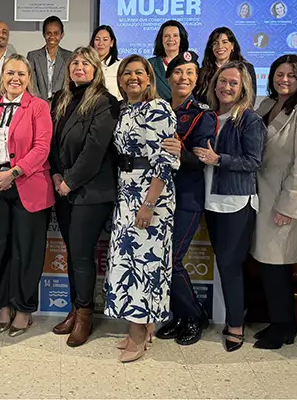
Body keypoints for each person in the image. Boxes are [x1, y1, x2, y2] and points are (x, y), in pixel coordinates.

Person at [104, 55, 179, 363]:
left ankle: (138, 336)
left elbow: (166, 161)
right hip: (126, 192)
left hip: (151, 197)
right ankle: (140, 327)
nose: (133, 77)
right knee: (126, 264)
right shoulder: (125, 109)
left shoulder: (159, 108)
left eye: (139, 73)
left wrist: (149, 203)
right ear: (120, 80)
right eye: (127, 73)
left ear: (149, 78)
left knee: (144, 266)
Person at [192, 61, 266, 352]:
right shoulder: (210, 117)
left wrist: (218, 159)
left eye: (233, 83)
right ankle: (234, 316)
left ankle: (236, 324)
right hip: (210, 202)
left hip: (236, 203)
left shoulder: (250, 120)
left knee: (229, 265)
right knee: (223, 263)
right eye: (222, 81)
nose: (226, 87)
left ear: (243, 87)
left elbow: (254, 161)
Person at [252, 55, 297, 350]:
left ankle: (283, 326)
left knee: (276, 265)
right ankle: (282, 323)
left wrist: (288, 205)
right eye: (279, 74)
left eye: (291, 76)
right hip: (260, 197)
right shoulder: (266, 105)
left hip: (282, 200)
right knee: (268, 265)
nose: (283, 80)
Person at [0, 54, 53, 338]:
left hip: (28, 187)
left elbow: (41, 147)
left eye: (21, 74)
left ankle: (23, 309)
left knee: (27, 252)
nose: (15, 78)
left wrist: (13, 173)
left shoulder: (38, 106)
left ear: (29, 78)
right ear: (2, 76)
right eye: (10, 73)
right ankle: (4, 305)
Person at [49, 47, 119, 347]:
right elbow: (51, 141)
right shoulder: (60, 100)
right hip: (63, 188)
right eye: (74, 62)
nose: (79, 67)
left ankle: (85, 317)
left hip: (91, 191)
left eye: (85, 63)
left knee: (80, 255)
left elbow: (95, 149)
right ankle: (75, 309)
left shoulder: (105, 101)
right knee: (71, 253)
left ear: (96, 69)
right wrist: (55, 174)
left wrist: (69, 181)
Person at [158, 51, 217, 346]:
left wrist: (181, 154)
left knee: (171, 259)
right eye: (179, 73)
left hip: (186, 197)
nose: (184, 78)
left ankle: (195, 316)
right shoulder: (156, 109)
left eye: (190, 73)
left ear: (196, 80)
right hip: (157, 197)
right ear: (169, 78)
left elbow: (203, 159)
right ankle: (180, 315)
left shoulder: (203, 115)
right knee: (162, 259)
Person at [196, 27, 258, 102]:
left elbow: (250, 99)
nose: (220, 47)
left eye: (224, 42)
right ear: (211, 48)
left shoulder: (246, 68)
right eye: (215, 43)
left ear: (232, 46)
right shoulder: (203, 72)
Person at [28, 15, 71, 100]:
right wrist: (41, 104)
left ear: (62, 35)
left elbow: (69, 85)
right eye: (49, 33)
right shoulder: (33, 56)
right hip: (38, 105)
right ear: (44, 34)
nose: (52, 37)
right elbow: (31, 84)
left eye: (56, 33)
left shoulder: (69, 57)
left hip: (62, 105)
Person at [148, 20, 189, 100]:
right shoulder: (151, 64)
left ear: (181, 39)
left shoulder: (190, 63)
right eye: (166, 36)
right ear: (161, 39)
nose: (171, 39)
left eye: (175, 35)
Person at [89, 25, 121, 100]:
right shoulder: (85, 65)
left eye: (105, 40)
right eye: (97, 39)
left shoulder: (120, 65)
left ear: (112, 43)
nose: (101, 43)